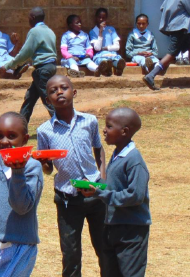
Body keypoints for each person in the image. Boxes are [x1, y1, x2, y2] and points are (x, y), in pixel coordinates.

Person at [37, 75, 112, 277]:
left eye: (64, 88)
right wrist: (44, 165)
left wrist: (102, 181)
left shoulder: (89, 121)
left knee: (105, 247)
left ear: (74, 92)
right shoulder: (44, 131)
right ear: (47, 100)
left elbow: (99, 150)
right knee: (70, 254)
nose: (59, 92)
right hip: (67, 198)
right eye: (53, 91)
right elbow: (48, 169)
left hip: (95, 194)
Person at [79, 108, 151, 277]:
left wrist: (101, 194)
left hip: (131, 230)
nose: (104, 130)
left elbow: (135, 196)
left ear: (124, 131)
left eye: (109, 126)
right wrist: (95, 187)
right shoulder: (118, 155)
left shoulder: (134, 161)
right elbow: (113, 187)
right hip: (112, 226)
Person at [0, 112, 43, 277]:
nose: (4, 142)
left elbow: (21, 207)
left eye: (11, 136)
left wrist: (17, 172)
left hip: (20, 244)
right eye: (0, 136)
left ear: (24, 139)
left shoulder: (31, 167)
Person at [4, 7, 57, 122]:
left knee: (48, 99)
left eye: (28, 17)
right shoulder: (50, 31)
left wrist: (9, 65)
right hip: (51, 67)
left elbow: (25, 53)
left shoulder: (34, 32)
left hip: (42, 69)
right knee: (30, 98)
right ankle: (21, 126)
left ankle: (63, 124)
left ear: (32, 18)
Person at [89, 8, 126, 77]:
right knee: (103, 61)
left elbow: (117, 47)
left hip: (112, 54)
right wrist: (100, 32)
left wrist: (104, 48)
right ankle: (107, 68)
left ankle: (118, 67)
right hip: (100, 55)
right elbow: (97, 48)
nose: (101, 19)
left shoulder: (111, 29)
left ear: (106, 18)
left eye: (103, 18)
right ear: (96, 18)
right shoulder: (92, 32)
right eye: (99, 17)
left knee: (117, 59)